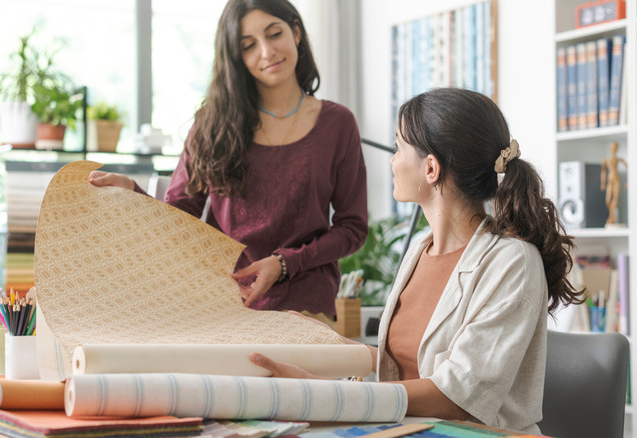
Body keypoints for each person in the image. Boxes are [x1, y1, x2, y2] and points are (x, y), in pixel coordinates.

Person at [250, 88, 585, 434]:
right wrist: (333, 345)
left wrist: (333, 395)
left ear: (430, 168)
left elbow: (456, 395)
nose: (392, 160)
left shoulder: (513, 262)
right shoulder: (418, 251)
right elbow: (408, 363)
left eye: (398, 148)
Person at [88, 0, 368, 326]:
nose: (266, 52)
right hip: (219, 296)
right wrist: (133, 194)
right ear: (236, 59)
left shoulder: (337, 123)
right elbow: (180, 216)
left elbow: (352, 228)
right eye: (248, 46)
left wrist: (283, 263)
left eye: (274, 33)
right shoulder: (212, 124)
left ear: (296, 32)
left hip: (304, 296)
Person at [601, 141, 627, 225]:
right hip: (610, 181)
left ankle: (612, 218)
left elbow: (630, 168)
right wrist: (603, 183)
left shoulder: (619, 159)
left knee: (615, 200)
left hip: (616, 181)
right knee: (608, 200)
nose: (613, 149)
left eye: (615, 147)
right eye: (612, 147)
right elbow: (603, 172)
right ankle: (611, 216)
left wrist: (629, 181)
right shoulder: (606, 159)